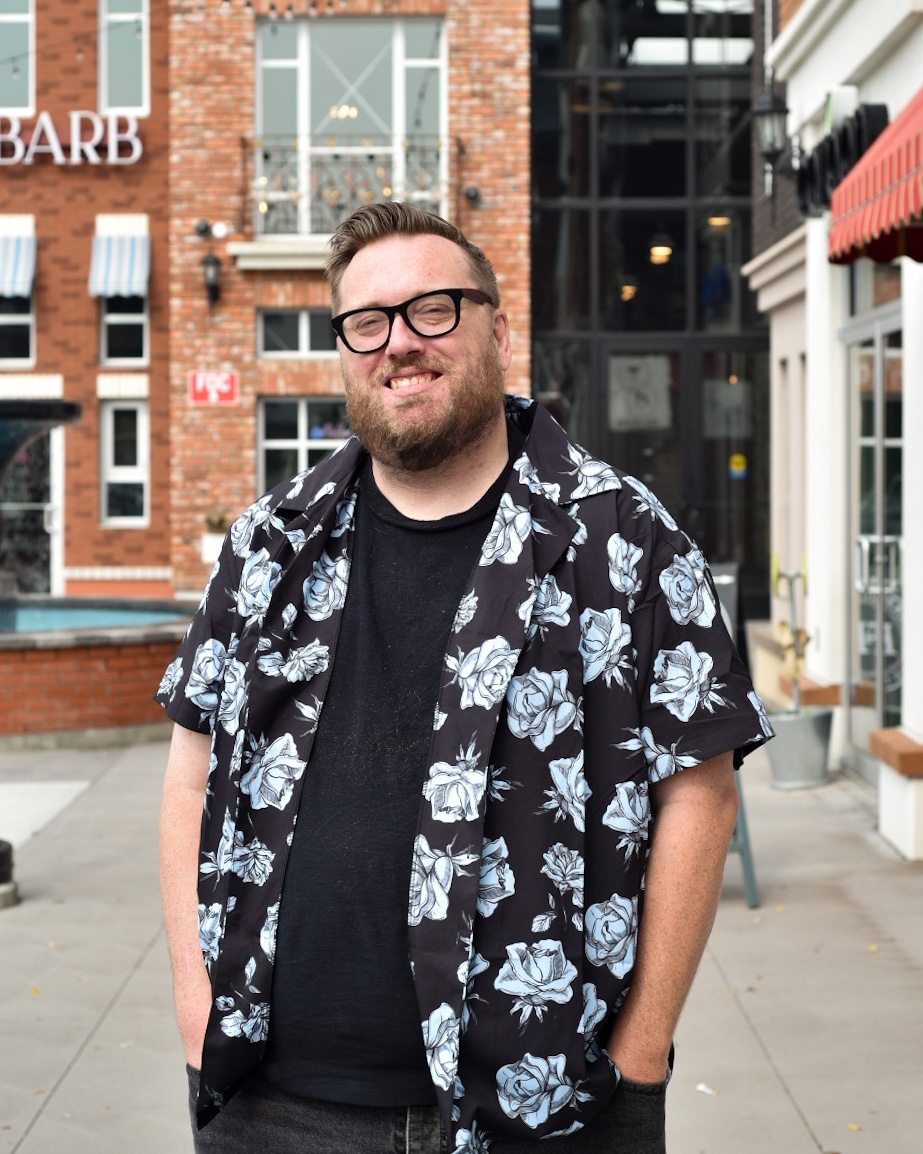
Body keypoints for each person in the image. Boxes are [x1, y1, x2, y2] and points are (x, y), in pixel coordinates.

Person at [157, 202, 773, 1154]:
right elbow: (191, 772)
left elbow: (700, 788)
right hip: (273, 1102)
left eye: (433, 309)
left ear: (496, 326)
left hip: (547, 1105)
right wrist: (198, 1011)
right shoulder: (270, 542)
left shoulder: (621, 535)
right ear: (346, 349)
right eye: (369, 321)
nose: (400, 342)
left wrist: (641, 1052)